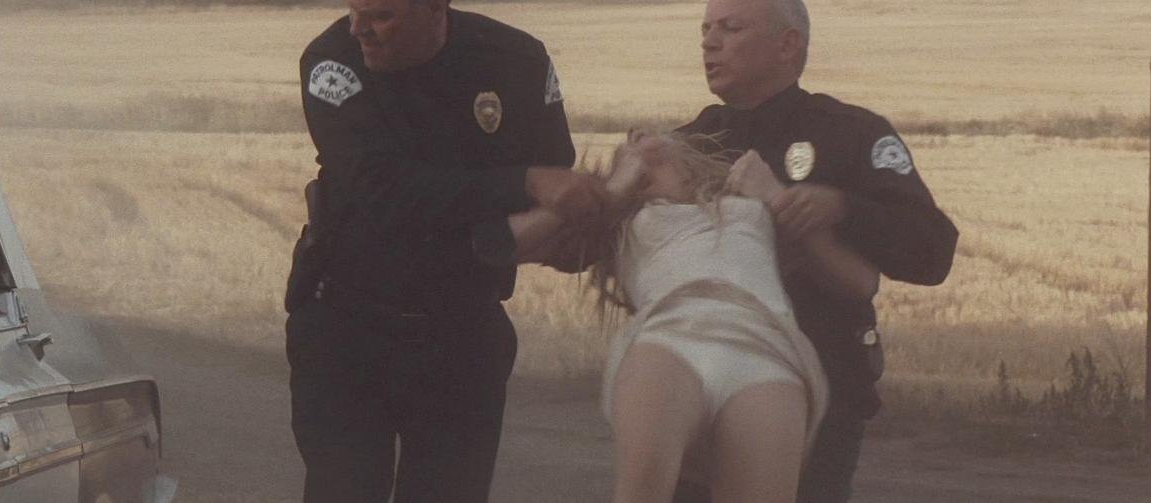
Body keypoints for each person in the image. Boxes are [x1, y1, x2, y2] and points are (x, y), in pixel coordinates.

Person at [281, 0, 607, 500]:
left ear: (436, 9)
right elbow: (382, 189)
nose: (361, 29)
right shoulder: (332, 61)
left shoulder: (515, 59)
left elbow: (555, 181)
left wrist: (581, 225)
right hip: (348, 330)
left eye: (382, 15)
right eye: (354, 10)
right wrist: (523, 183)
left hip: (462, 335)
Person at [672, 0, 960, 501]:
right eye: (705, 29)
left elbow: (931, 250)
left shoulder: (849, 134)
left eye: (730, 28)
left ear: (788, 45)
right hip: (700, 394)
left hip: (817, 399)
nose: (709, 42)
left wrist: (842, 207)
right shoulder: (688, 146)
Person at [509, 131, 878, 502]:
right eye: (629, 149)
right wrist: (611, 192)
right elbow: (509, 246)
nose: (640, 141)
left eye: (650, 138)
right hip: (671, 334)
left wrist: (778, 197)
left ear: (688, 157)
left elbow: (861, 281)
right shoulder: (619, 220)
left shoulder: (748, 199)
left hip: (765, 347)